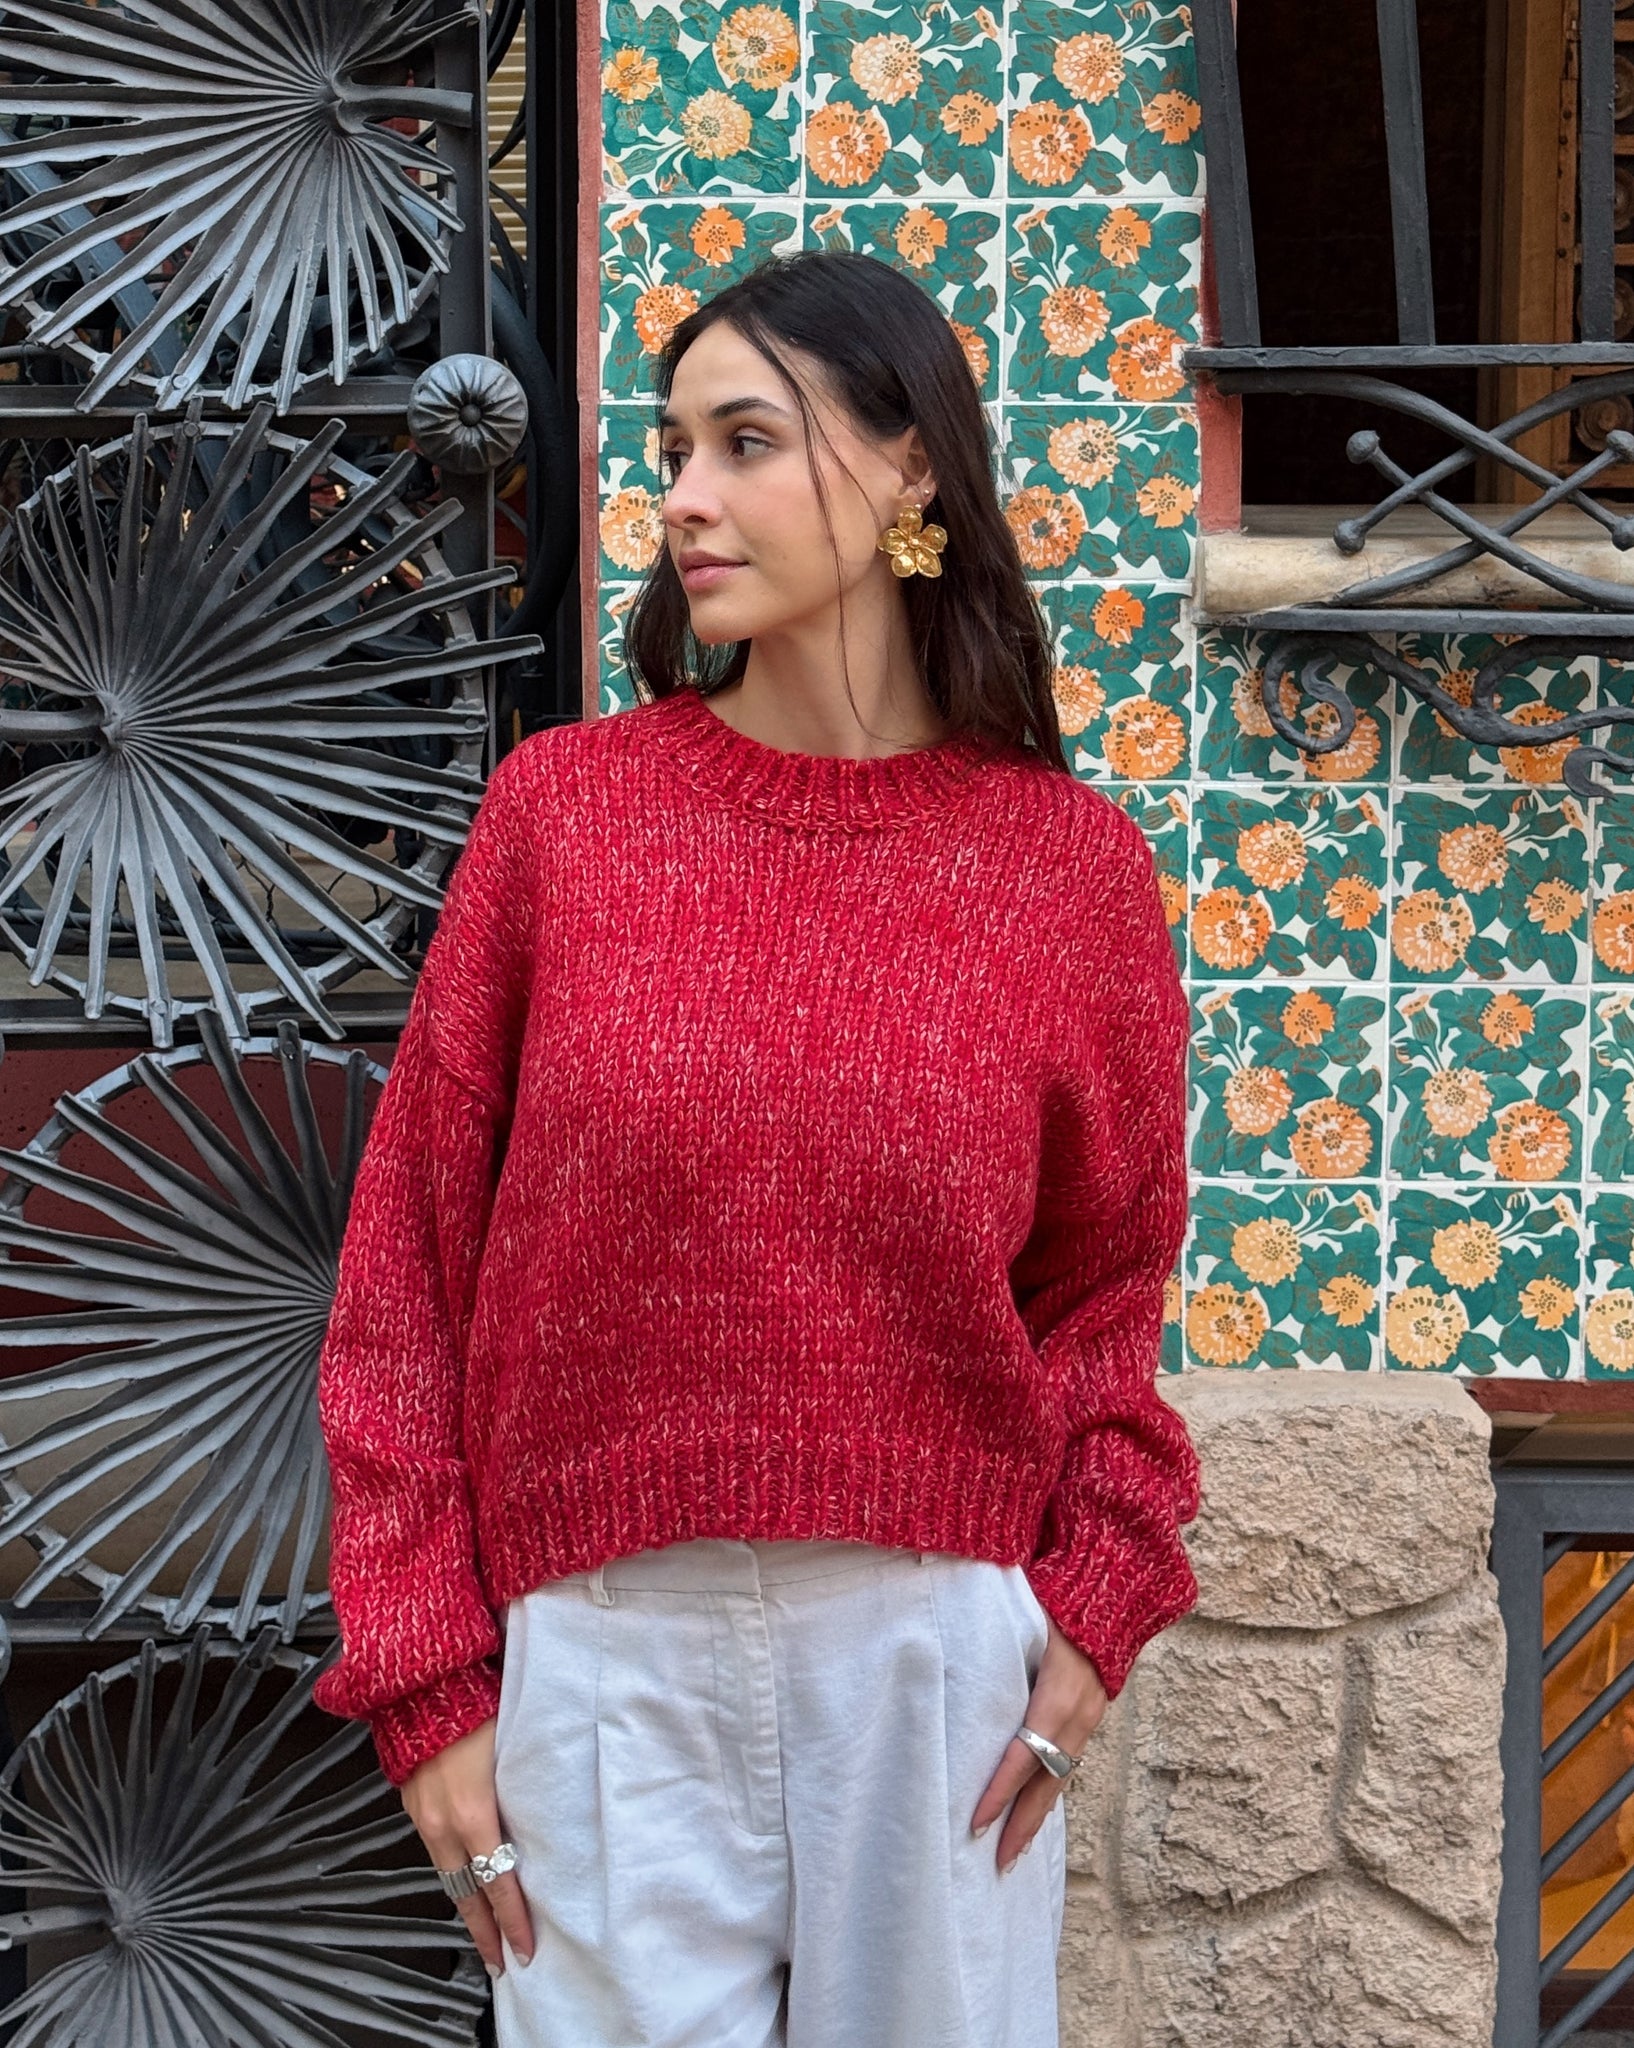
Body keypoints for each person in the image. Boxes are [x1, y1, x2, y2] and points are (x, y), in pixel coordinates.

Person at [313, 248, 1202, 2048]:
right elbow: (406, 1271)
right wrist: (425, 1673)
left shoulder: (1065, 874)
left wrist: (1098, 1603)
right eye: (672, 451)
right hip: (601, 1660)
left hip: (930, 1670)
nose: (684, 499)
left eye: (744, 442)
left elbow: (1106, 1291)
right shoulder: (566, 819)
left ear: (908, 469)